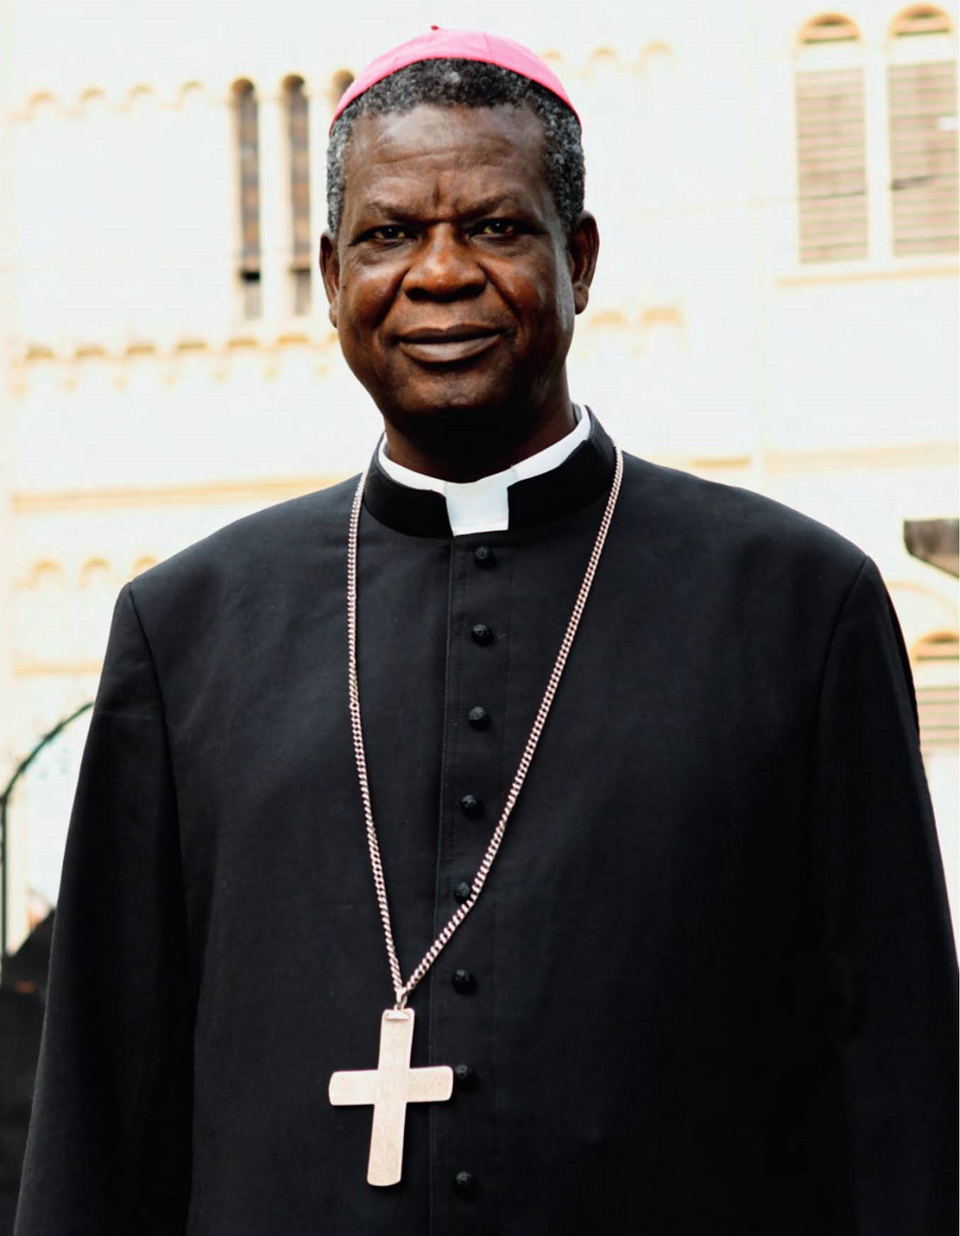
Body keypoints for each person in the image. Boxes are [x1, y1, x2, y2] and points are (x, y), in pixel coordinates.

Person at [14, 27, 958, 1236]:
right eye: (390, 235)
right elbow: (98, 1108)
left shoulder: (797, 606)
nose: (441, 273)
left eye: (496, 227)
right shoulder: (186, 629)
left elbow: (901, 1088)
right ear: (329, 276)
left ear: (581, 258)